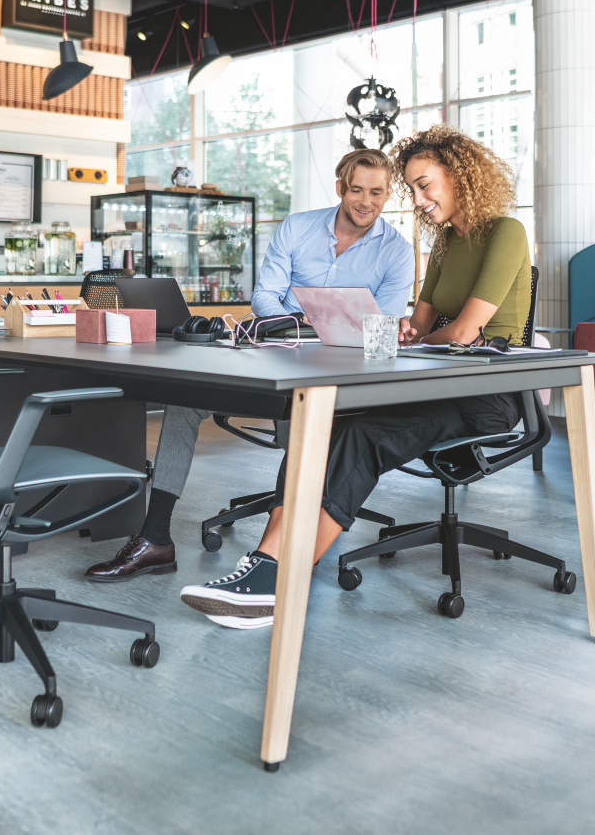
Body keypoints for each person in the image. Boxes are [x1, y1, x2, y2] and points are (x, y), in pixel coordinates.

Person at [177, 125, 530, 628]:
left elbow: (464, 331)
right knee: (324, 429)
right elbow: (421, 327)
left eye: (424, 185)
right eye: (411, 188)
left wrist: (419, 335)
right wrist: (411, 330)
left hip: (485, 395)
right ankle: (263, 567)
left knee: (361, 436)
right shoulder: (446, 245)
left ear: (460, 178)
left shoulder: (506, 233)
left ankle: (282, 580)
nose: (418, 198)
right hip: (433, 384)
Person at [82, 148, 415, 584]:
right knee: (185, 402)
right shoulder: (297, 228)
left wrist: (323, 326)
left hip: (338, 372)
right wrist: (292, 323)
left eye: (376, 192)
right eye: (357, 190)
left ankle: (275, 559)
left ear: (388, 193)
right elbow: (264, 298)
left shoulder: (396, 252)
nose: (366, 202)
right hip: (276, 351)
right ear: (340, 188)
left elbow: (382, 328)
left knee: (303, 421)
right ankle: (155, 538)